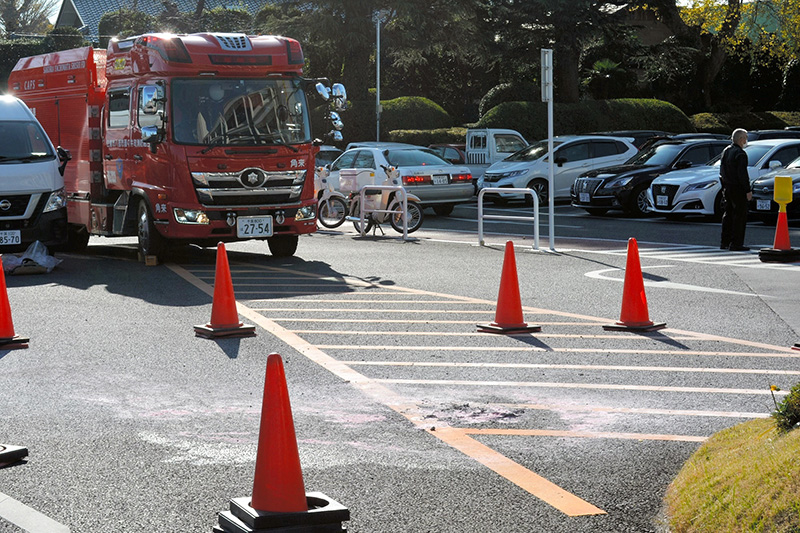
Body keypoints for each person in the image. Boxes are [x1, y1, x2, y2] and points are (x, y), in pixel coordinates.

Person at [719, 128, 752, 251]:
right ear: (741, 139)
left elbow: (722, 170)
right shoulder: (740, 154)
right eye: (745, 138)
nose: (746, 140)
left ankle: (725, 242)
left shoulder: (726, 151)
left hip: (727, 187)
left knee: (728, 214)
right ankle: (736, 243)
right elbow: (742, 174)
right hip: (738, 188)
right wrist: (747, 190)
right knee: (740, 216)